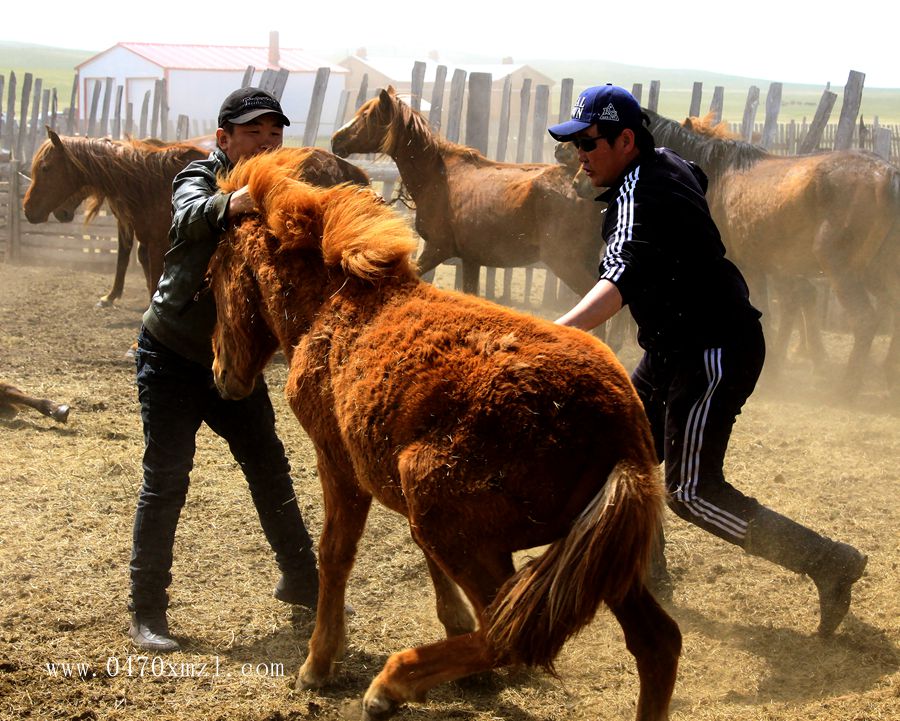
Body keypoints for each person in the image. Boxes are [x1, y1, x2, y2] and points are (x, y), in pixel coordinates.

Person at [548, 84, 867, 637]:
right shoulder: (670, 164)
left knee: (690, 492)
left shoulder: (639, 194)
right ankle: (645, 574)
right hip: (674, 346)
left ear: (626, 140)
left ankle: (829, 562)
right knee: (616, 450)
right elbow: (691, 185)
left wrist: (550, 334)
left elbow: (618, 278)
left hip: (714, 348)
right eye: (576, 143)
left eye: (589, 142)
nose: (580, 154)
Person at [129, 87, 319, 652]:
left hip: (232, 361)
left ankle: (304, 582)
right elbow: (186, 217)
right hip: (172, 355)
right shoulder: (199, 177)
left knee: (270, 469)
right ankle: (147, 612)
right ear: (223, 139)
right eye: (253, 132)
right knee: (166, 482)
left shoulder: (282, 189)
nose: (266, 141)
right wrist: (230, 203)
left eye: (274, 132)